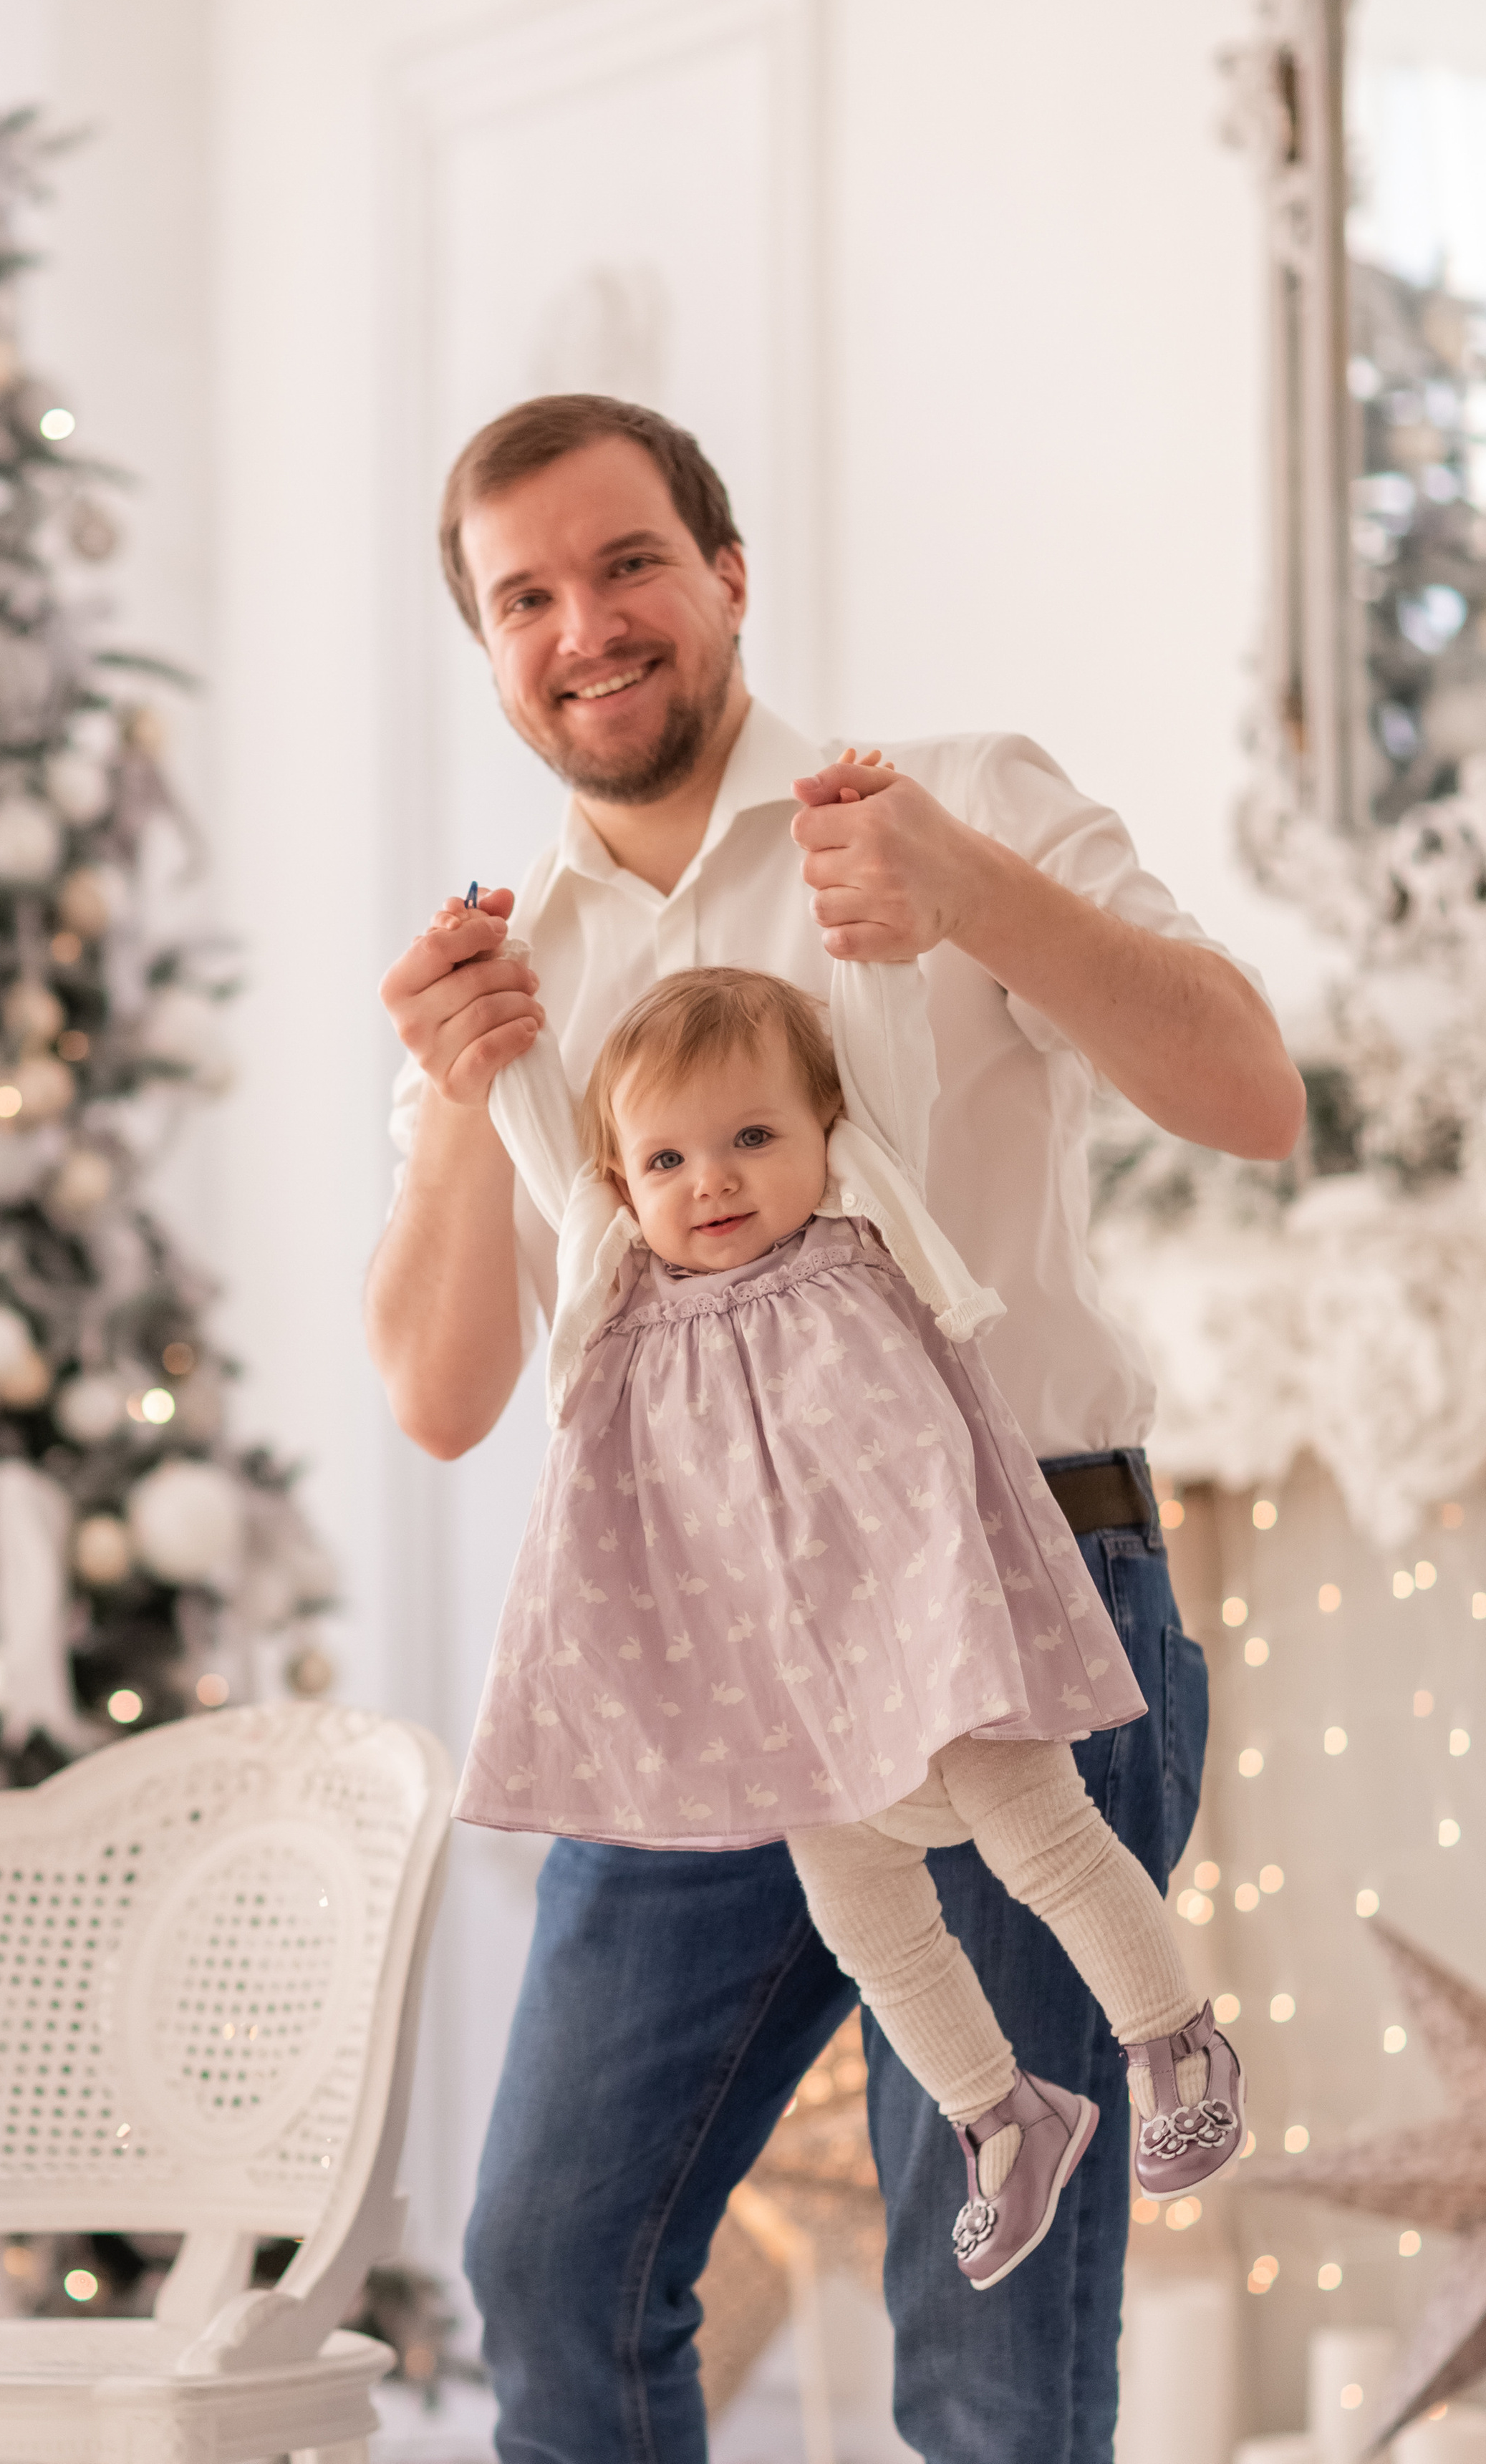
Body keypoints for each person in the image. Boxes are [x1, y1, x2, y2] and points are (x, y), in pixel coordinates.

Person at [369, 395, 1303, 2460]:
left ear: (726, 575)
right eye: (523, 597)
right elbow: (439, 1402)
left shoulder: (952, 802)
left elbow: (1256, 1094)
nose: (584, 627)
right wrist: (457, 1102)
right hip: (702, 1665)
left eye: (626, 564)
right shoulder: (507, 983)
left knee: (984, 2324)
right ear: (490, 648)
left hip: (1019, 1599)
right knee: (550, 2252)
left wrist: (972, 895)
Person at [444, 923, 1245, 2289]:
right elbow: (533, 1125)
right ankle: (1004, 2116)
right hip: (782, 1682)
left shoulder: (867, 1226)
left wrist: (871, 922)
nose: (712, 1182)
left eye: (752, 1136)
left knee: (1040, 1834)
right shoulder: (617, 1280)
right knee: (862, 1913)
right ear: (619, 1183)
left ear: (826, 1132)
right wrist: (491, 1014)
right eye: (668, 1160)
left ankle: (1173, 2036)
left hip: (929, 1627)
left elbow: (877, 1040)